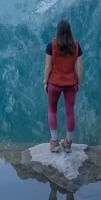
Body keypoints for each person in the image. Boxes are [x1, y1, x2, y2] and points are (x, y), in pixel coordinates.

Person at [43, 18, 83, 153]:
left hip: (54, 83)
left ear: (58, 31)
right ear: (70, 31)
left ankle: (54, 143)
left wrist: (45, 82)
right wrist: (78, 82)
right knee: (70, 113)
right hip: (71, 83)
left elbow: (48, 66)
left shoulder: (51, 45)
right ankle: (68, 143)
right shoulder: (76, 46)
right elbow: (79, 67)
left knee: (51, 110)